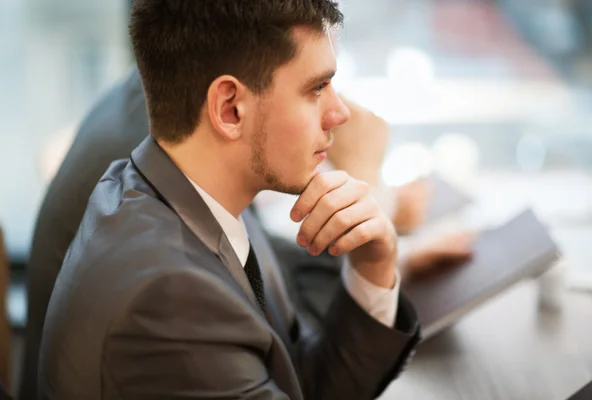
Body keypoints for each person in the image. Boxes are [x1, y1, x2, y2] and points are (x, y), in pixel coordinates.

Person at [37, 1, 420, 399]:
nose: (339, 112)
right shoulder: (171, 300)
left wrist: (373, 265)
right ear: (230, 109)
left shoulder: (189, 193)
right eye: (317, 88)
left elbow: (303, 381)